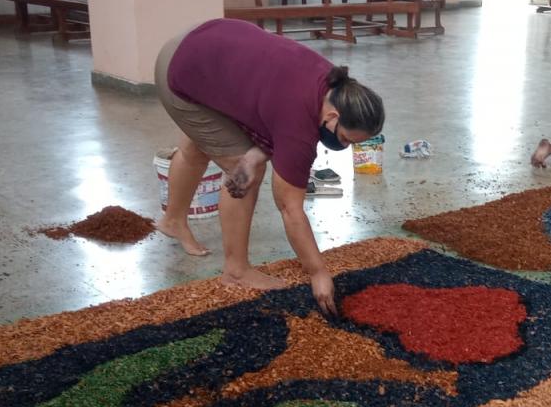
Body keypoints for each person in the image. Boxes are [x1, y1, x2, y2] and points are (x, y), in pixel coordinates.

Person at [154, 18, 385, 316]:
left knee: (201, 145)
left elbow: (269, 112)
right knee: (243, 168)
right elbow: (290, 209)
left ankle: (172, 221)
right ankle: (236, 270)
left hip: (199, 44)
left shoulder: (334, 82)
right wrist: (317, 272)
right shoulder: (300, 123)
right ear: (332, 116)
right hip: (181, 72)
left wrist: (259, 151)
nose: (346, 146)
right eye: (345, 138)